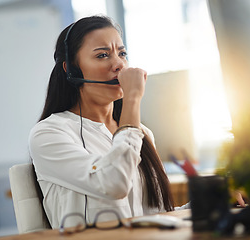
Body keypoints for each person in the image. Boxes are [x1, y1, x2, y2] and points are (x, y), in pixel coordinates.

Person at [29, 15, 179, 229]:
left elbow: (156, 216)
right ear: (71, 70)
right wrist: (132, 98)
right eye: (102, 55)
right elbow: (114, 183)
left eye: (122, 53)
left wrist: (211, 202)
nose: (119, 64)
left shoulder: (140, 132)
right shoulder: (49, 134)